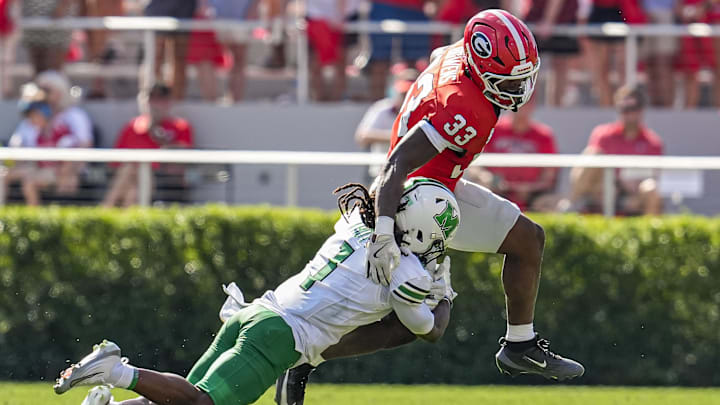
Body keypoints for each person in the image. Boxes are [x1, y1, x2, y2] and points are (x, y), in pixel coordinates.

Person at [276, 9, 584, 405]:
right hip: (417, 202)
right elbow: (397, 165)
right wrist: (385, 231)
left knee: (528, 239)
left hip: (439, 185)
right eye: (511, 80)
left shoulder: (459, 56)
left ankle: (519, 345)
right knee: (417, 324)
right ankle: (302, 356)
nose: (521, 88)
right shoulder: (465, 105)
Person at [56, 179, 459, 405]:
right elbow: (425, 327)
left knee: (178, 401)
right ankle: (116, 369)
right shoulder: (404, 271)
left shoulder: (357, 219)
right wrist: (443, 297)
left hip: (258, 313)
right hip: (279, 336)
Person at [564, 85, 663, 215]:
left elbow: (653, 177)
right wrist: (616, 178)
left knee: (651, 188)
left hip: (633, 194)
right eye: (623, 109)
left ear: (641, 110)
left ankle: (651, 232)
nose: (627, 114)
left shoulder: (652, 142)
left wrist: (629, 185)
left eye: (632, 108)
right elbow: (588, 169)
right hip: (603, 188)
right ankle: (569, 206)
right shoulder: (603, 134)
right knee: (593, 154)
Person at [102, 83, 193, 207]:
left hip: (162, 179)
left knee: (135, 173)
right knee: (132, 186)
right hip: (131, 178)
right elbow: (115, 162)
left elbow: (184, 157)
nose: (156, 104)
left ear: (169, 102)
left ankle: (105, 210)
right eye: (153, 99)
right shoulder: (133, 126)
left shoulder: (181, 126)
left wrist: (163, 141)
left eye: (161, 99)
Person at [464, 98, 559, 212]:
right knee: (478, 197)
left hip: (533, 194)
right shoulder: (493, 129)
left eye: (526, 104)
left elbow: (550, 174)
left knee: (549, 203)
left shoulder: (544, 135)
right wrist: (485, 177)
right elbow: (474, 163)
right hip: (496, 189)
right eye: (519, 104)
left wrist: (530, 187)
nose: (522, 109)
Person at [355, 68, 418, 181]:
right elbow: (362, 137)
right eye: (403, 93)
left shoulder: (424, 111)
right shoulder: (381, 108)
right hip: (380, 174)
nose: (406, 97)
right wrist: (398, 137)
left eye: (410, 93)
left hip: (412, 176)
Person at [366, 0, 436, 100]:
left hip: (414, 8)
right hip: (384, 6)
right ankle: (376, 103)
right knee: (380, 59)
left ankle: (415, 102)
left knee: (414, 63)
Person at [524, 0, 581, 106]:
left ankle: (556, 107)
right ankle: (527, 107)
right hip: (537, 18)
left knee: (560, 64)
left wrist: (548, 20)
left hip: (561, 20)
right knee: (529, 66)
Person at [306, 0, 361, 101]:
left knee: (341, 59)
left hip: (346, 15)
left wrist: (340, 15)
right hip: (316, 16)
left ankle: (337, 98)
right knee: (316, 60)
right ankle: (319, 98)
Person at [145, 0, 197, 100]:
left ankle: (176, 100)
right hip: (159, 7)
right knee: (156, 55)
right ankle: (154, 99)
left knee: (180, 58)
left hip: (184, 8)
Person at [21, 0, 77, 74]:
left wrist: (61, 8)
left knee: (54, 71)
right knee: (39, 71)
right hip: (33, 23)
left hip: (57, 25)